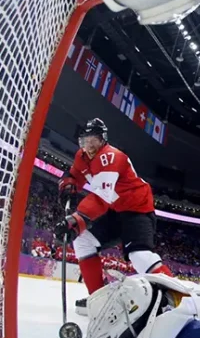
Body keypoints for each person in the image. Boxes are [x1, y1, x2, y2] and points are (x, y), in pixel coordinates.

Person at [55, 118, 172, 315]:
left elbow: (101, 198)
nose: (89, 146)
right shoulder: (82, 156)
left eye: (94, 141)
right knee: (83, 241)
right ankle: (100, 299)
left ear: (103, 141)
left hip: (137, 210)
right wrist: (68, 183)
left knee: (140, 257)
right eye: (85, 142)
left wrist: (76, 220)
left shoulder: (110, 156)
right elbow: (75, 174)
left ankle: (177, 298)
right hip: (115, 210)